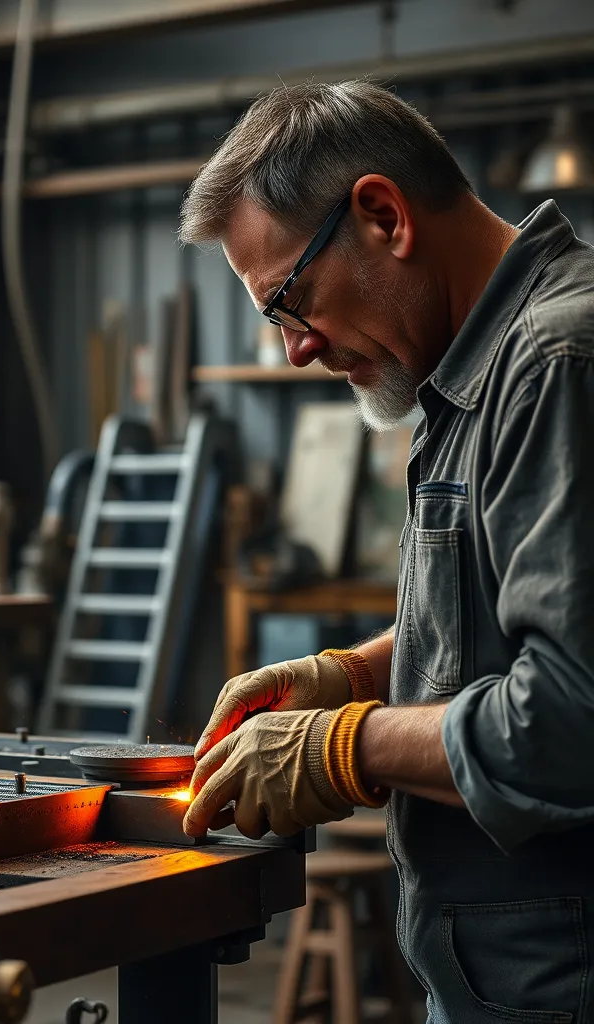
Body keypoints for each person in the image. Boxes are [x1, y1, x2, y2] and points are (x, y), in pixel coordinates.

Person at [178, 80, 594, 1021]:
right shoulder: (465, 378)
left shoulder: (560, 366)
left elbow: (572, 715)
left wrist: (345, 747)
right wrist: (354, 675)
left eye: (290, 299)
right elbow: (499, 625)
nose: (294, 348)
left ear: (382, 216)